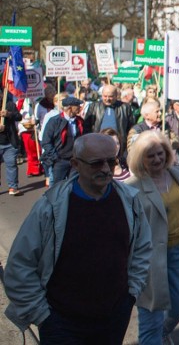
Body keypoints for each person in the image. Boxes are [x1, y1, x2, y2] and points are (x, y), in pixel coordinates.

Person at [3, 134, 153, 344]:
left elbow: (142, 249)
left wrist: (131, 295)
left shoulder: (129, 201)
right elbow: (19, 266)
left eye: (111, 161)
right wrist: (42, 315)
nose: (106, 168)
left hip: (113, 318)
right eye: (96, 163)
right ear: (75, 164)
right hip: (62, 323)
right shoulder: (50, 207)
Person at [127, 130, 179, 345]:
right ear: (140, 158)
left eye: (160, 153)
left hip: (178, 250)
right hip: (148, 259)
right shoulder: (132, 187)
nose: (157, 159)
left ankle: (162, 332)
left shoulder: (178, 174)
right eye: (150, 156)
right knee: (151, 316)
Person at [41, 96, 85, 184]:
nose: (80, 107)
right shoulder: (54, 121)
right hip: (60, 160)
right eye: (77, 105)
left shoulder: (79, 121)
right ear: (69, 108)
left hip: (74, 160)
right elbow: (46, 142)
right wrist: (55, 157)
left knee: (74, 184)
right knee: (58, 186)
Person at [84, 84, 135, 159]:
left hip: (118, 146)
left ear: (116, 95)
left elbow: (131, 128)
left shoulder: (125, 107)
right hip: (98, 145)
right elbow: (87, 127)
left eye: (110, 96)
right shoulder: (94, 107)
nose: (107, 99)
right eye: (105, 96)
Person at [0, 85, 22, 196]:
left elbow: (19, 116)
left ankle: (13, 187)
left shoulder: (9, 104)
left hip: (9, 142)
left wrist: (9, 114)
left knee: (11, 164)